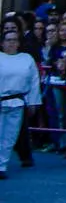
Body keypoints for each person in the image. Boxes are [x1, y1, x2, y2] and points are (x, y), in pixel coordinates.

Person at [0, 24, 35, 176]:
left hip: (18, 102)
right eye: (8, 40)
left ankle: (2, 165)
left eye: (14, 40)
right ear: (2, 43)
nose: (11, 43)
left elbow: (33, 83)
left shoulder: (27, 59)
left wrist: (33, 102)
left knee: (10, 136)